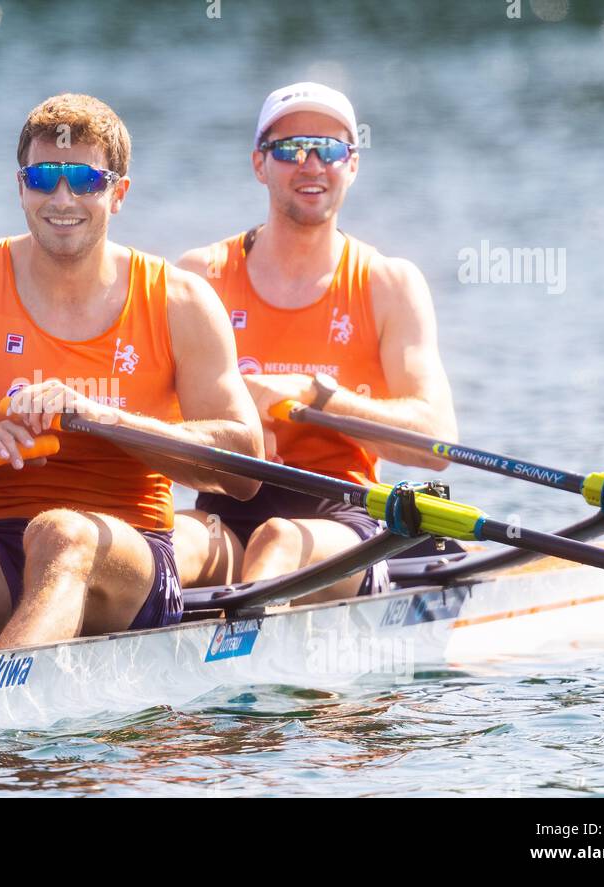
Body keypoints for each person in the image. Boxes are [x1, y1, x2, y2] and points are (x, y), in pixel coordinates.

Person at [0, 94, 263, 672]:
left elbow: (245, 466)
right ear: (20, 187)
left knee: (62, 534)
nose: (63, 200)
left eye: (85, 180)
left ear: (119, 192)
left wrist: (107, 420)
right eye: (44, 178)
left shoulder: (178, 301)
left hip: (126, 562)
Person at [174, 82, 458, 602]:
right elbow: (152, 410)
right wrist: (234, 410)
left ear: (352, 166)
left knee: (278, 540)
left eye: (329, 149)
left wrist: (317, 395)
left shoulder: (387, 283)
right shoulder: (201, 277)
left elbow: (438, 441)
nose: (310, 164)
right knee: (168, 545)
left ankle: (230, 665)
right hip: (226, 504)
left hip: (343, 514)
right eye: (289, 149)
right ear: (259, 164)